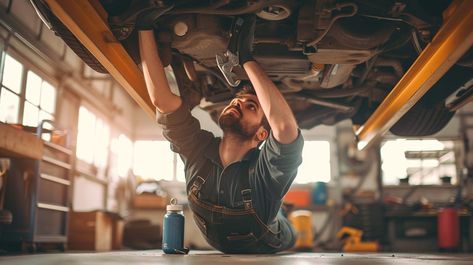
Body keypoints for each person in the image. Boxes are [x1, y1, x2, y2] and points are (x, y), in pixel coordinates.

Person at [138, 15, 304, 254]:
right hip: (228, 237)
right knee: (275, 204)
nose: (237, 103)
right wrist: (143, 24)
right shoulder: (197, 149)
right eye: (236, 100)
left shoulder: (265, 171)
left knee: (282, 218)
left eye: (250, 106)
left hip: (270, 238)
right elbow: (163, 101)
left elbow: (286, 130)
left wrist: (245, 59)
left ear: (261, 135)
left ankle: (282, 210)